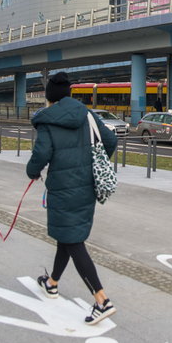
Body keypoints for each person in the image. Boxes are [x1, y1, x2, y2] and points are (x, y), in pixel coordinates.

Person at [26, 72, 119, 325]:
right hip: (86, 186)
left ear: (50, 98)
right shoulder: (87, 114)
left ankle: (102, 300)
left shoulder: (47, 121)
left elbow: (42, 153)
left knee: (73, 241)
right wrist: (88, 163)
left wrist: (32, 171)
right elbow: (110, 140)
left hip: (62, 187)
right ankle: (52, 283)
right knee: (67, 236)